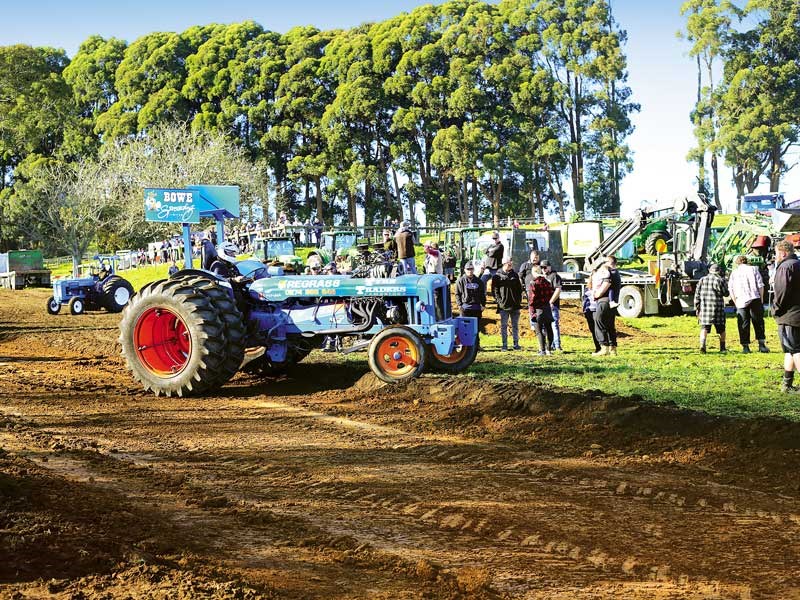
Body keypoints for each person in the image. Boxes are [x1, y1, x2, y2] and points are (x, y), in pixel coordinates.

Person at [772, 240, 800, 392]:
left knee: (795, 350)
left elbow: (781, 292)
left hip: (789, 315)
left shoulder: (785, 267)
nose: (776, 257)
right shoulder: (798, 264)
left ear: (782, 253)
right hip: (797, 314)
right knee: (790, 350)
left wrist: (775, 309)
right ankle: (787, 385)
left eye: (776, 254)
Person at [728, 255, 769, 354]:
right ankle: (762, 345)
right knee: (758, 322)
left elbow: (731, 289)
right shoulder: (754, 269)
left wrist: (735, 301)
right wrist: (761, 299)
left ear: (737, 263)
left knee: (743, 324)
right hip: (754, 298)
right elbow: (760, 285)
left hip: (741, 300)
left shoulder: (734, 273)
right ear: (747, 261)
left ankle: (745, 347)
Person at [694, 263, 729, 353]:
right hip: (718, 308)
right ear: (719, 271)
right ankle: (722, 348)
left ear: (709, 270)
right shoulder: (720, 280)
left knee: (704, 328)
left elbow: (697, 295)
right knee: (721, 329)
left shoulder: (702, 280)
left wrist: (697, 307)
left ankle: (702, 345)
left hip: (705, 308)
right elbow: (726, 293)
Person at [491, 257, 523, 351]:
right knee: (504, 326)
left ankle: (516, 344)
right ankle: (504, 345)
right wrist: (500, 302)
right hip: (503, 306)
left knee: (515, 326)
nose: (510, 266)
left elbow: (519, 289)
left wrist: (518, 301)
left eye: (511, 264)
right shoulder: (497, 276)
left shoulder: (515, 275)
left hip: (515, 305)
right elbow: (495, 291)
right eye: (508, 264)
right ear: (504, 264)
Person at [527, 265, 555, 356]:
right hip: (547, 307)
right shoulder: (548, 282)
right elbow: (551, 293)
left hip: (538, 309)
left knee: (539, 331)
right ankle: (549, 349)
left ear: (534, 272)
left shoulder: (533, 283)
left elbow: (532, 298)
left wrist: (531, 310)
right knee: (549, 329)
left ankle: (542, 350)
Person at [591, 263, 616, 356]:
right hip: (609, 302)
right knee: (610, 325)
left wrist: (596, 295)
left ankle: (604, 348)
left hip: (603, 301)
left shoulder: (606, 274)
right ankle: (613, 349)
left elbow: (605, 284)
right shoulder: (614, 274)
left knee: (598, 321)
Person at [541, 259, 563, 351]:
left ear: (549, 267)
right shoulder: (542, 277)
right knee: (545, 327)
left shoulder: (554, 276)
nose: (543, 269)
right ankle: (550, 345)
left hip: (552, 305)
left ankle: (557, 345)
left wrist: (551, 301)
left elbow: (558, 290)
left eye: (545, 267)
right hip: (543, 305)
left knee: (554, 325)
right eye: (541, 267)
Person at [582, 278, 601, 353]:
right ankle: (597, 347)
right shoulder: (587, 288)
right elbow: (584, 299)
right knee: (593, 330)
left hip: (597, 310)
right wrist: (584, 309)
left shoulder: (600, 287)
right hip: (589, 310)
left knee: (599, 329)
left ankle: (603, 346)